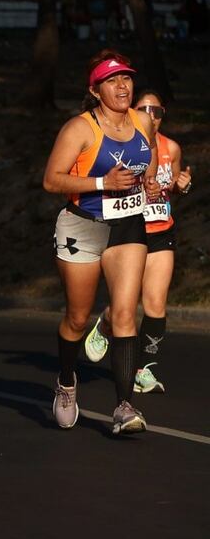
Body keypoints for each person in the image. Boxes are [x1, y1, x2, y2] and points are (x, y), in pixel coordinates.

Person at [43, 49, 160, 435]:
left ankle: (124, 406)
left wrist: (149, 179)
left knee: (126, 314)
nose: (122, 86)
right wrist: (101, 183)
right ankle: (66, 381)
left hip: (128, 226)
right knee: (77, 317)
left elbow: (151, 150)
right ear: (95, 91)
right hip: (84, 225)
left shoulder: (143, 120)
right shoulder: (79, 129)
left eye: (126, 78)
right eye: (112, 80)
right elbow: (52, 180)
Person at [83, 89, 192, 395]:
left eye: (157, 111)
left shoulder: (172, 147)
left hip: (161, 232)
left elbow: (171, 190)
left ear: (162, 115)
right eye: (145, 109)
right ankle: (106, 322)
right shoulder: (124, 144)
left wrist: (181, 188)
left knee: (156, 303)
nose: (151, 116)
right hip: (130, 231)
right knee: (126, 306)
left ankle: (144, 369)